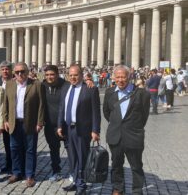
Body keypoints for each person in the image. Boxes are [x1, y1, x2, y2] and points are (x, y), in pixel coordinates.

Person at [103, 65, 150, 195]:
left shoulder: (142, 94)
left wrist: (133, 127)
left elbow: (144, 116)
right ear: (113, 78)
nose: (120, 80)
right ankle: (118, 188)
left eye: (123, 76)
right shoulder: (109, 93)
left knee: (136, 167)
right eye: (117, 77)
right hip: (115, 135)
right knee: (116, 165)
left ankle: (137, 191)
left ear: (129, 77)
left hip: (134, 136)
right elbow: (107, 113)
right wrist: (117, 124)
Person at [57, 64, 101, 195]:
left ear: (82, 75)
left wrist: (95, 130)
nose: (73, 77)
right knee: (72, 157)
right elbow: (61, 108)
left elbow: (96, 112)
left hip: (82, 129)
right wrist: (59, 125)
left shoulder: (90, 89)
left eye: (75, 75)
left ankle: (82, 185)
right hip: (67, 128)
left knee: (82, 157)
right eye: (70, 75)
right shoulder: (65, 88)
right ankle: (75, 181)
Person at [3, 62, 45, 188]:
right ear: (14, 73)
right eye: (17, 72)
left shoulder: (36, 84)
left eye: (22, 71)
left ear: (27, 72)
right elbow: (5, 103)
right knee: (14, 149)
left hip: (30, 123)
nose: (20, 74)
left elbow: (41, 105)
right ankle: (16, 173)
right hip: (14, 123)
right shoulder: (9, 84)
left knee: (30, 150)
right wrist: (5, 120)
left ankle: (29, 175)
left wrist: (39, 122)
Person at [42, 65, 66, 182]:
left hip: (65, 125)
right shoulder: (43, 86)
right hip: (50, 125)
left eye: (52, 74)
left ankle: (75, 172)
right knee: (54, 150)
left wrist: (88, 82)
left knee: (71, 150)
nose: (49, 77)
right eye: (47, 75)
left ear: (57, 74)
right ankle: (56, 171)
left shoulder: (66, 85)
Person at [0, 60, 13, 174]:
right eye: (3, 69)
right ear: (0, 71)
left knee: (13, 143)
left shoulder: (15, 81)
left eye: (7, 69)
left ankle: (15, 165)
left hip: (11, 118)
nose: (5, 71)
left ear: (11, 70)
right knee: (5, 142)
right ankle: (8, 164)